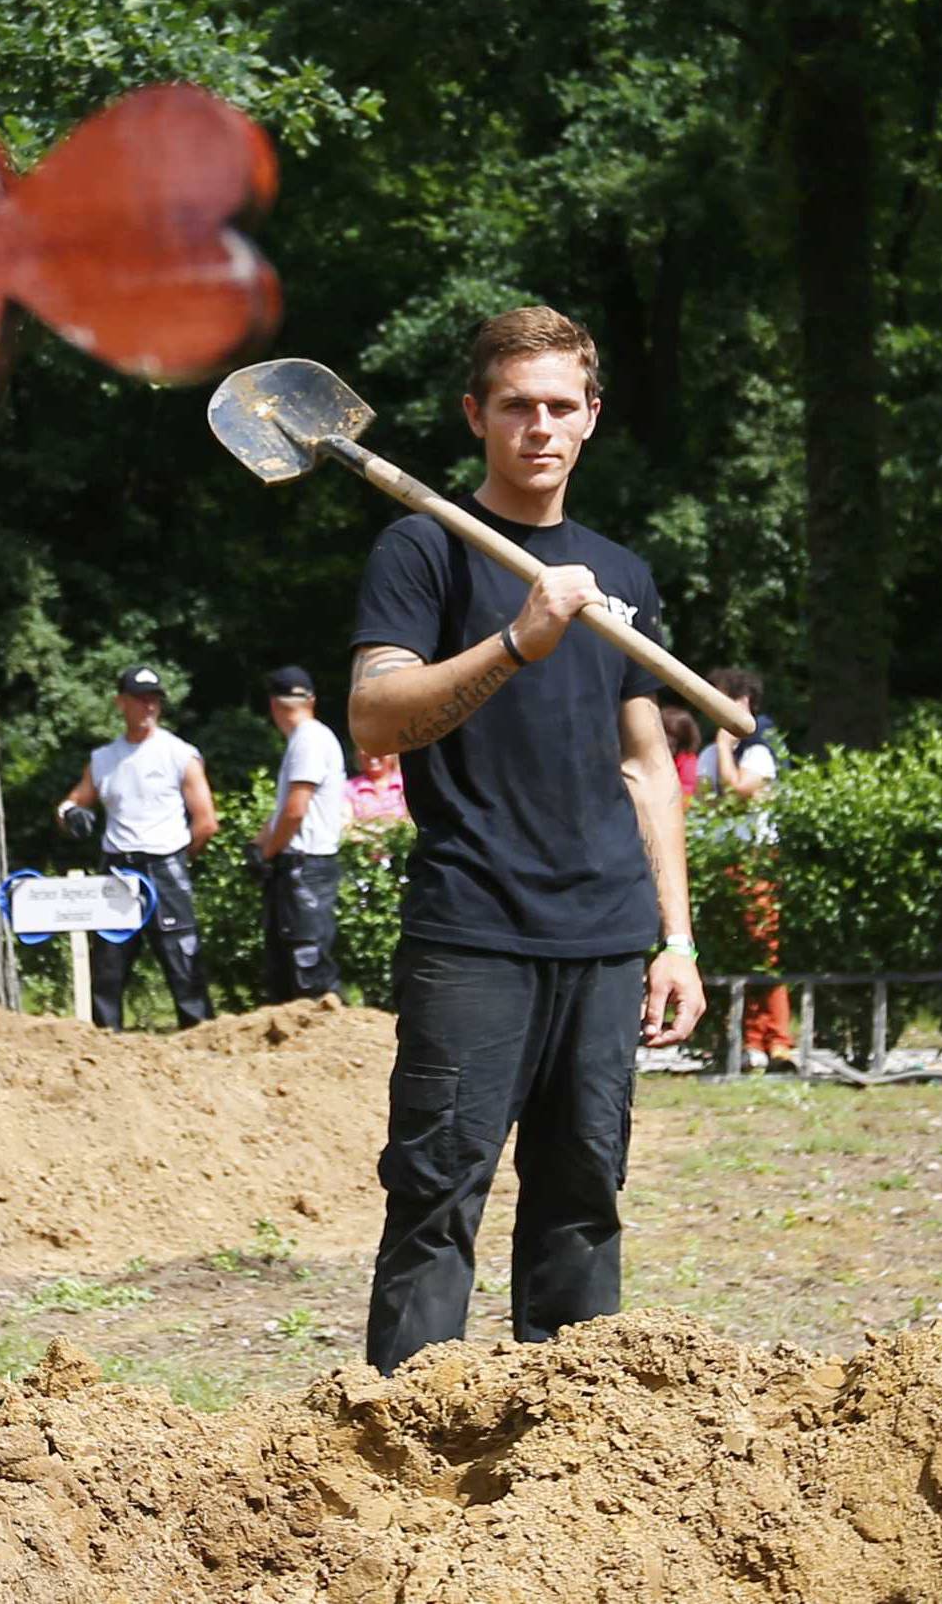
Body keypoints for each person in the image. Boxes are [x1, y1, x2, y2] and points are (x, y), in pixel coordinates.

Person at [348, 303, 704, 1376]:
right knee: (437, 1190)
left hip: (603, 934)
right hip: (474, 931)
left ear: (593, 416)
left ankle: (577, 1456)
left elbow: (648, 767)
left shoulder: (620, 575)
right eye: (516, 406)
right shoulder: (425, 549)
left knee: (585, 1197)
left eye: (561, 405)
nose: (538, 426)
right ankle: (403, 1440)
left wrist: (676, 937)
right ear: (476, 415)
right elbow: (374, 716)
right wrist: (518, 638)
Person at [55, 663, 217, 1029]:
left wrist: (176, 859)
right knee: (108, 968)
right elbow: (72, 802)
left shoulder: (180, 754)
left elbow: (205, 821)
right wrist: (71, 815)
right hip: (118, 869)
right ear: (120, 703)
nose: (148, 707)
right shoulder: (103, 759)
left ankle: (204, 1044)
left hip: (165, 866)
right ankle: (104, 1047)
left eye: (154, 700)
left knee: (183, 963)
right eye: (140, 699)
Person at [698, 666, 794, 1072]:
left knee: (763, 951)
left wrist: (724, 743)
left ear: (742, 704)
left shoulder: (759, 750)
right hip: (722, 860)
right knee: (733, 949)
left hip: (756, 860)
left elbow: (737, 793)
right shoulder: (707, 755)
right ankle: (746, 1039)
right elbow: (706, 803)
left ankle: (778, 1041)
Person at [255, 665, 350, 1002]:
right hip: (302, 866)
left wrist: (266, 852)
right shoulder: (309, 737)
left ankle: (326, 1043)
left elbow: (296, 810)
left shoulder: (308, 740)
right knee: (290, 965)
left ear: (273, 704)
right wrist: (261, 841)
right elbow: (286, 809)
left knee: (307, 967)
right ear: (311, 699)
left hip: (304, 867)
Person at [347, 749, 409, 824]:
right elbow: (347, 824)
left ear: (393, 754)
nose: (372, 753)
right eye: (365, 747)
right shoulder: (348, 788)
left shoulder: (407, 783)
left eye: (378, 748)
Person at [660, 705, 701, 799]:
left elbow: (686, 799)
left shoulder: (689, 764)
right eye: (663, 733)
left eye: (671, 735)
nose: (666, 740)